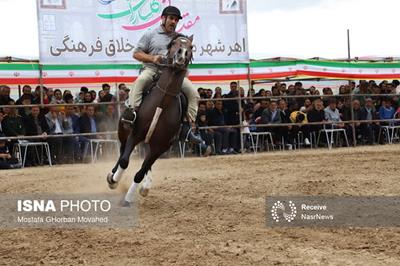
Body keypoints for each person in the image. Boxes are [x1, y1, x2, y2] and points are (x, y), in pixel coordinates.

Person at [121, 6, 201, 143]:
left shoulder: (180, 38)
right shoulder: (150, 34)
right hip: (152, 70)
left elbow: (184, 56)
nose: (174, 22)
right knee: (140, 81)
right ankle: (132, 115)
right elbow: (136, 53)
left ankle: (187, 128)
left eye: (176, 20)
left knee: (194, 94)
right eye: (171, 18)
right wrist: (152, 58)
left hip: (173, 75)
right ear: (163, 19)